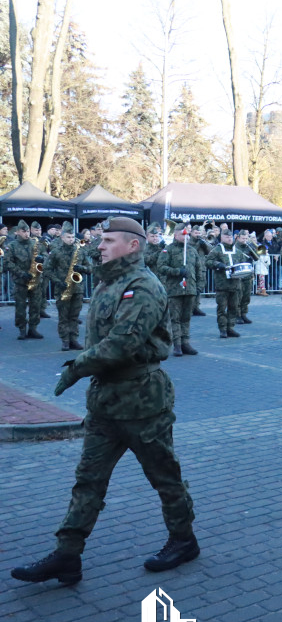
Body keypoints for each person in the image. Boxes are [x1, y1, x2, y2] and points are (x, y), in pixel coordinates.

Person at [10, 217, 198, 586]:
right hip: (106, 402)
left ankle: (183, 540)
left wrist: (76, 367)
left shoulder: (142, 286)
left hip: (142, 402)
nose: (99, 245)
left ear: (133, 246)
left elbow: (123, 344)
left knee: (164, 477)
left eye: (109, 240)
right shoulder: (109, 283)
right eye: (100, 239)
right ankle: (67, 555)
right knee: (88, 480)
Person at [155, 221, 201, 356]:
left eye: (187, 234)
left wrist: (199, 286)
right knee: (175, 318)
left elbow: (199, 269)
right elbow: (161, 267)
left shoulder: (192, 250)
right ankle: (177, 344)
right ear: (175, 235)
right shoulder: (168, 250)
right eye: (183, 234)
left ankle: (186, 342)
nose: (186, 237)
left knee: (186, 318)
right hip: (175, 289)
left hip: (190, 289)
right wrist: (177, 272)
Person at [43, 222, 90, 351]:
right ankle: (65, 340)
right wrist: (57, 281)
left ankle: (73, 339)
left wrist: (82, 268)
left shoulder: (80, 251)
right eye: (68, 237)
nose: (71, 239)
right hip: (62, 288)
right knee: (63, 316)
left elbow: (90, 268)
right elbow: (47, 269)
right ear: (62, 238)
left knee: (74, 316)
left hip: (78, 288)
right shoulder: (56, 252)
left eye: (72, 237)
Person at [2, 219, 46, 339]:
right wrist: (21, 273)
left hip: (35, 280)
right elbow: (7, 263)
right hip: (20, 282)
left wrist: (42, 259)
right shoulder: (12, 246)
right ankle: (22, 329)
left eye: (27, 231)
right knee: (20, 307)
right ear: (17, 232)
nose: (27, 234)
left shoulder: (35, 244)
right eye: (23, 231)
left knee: (35, 306)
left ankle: (33, 329)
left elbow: (46, 257)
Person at [205, 227, 244, 339]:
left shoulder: (237, 250)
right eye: (227, 237)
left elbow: (243, 262)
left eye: (230, 237)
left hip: (235, 284)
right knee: (222, 308)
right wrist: (218, 264)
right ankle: (222, 329)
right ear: (222, 237)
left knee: (234, 307)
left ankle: (230, 327)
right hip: (222, 284)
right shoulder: (217, 249)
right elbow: (208, 261)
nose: (229, 239)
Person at [190, 225, 211, 317]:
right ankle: (190, 307)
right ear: (191, 233)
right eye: (196, 233)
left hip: (201, 268)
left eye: (199, 233)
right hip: (192, 268)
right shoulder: (189, 241)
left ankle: (196, 307)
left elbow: (210, 252)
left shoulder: (202, 241)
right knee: (192, 289)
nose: (198, 235)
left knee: (199, 288)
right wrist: (198, 243)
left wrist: (205, 244)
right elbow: (191, 250)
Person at [234, 229, 255, 324]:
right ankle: (236, 315)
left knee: (246, 296)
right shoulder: (234, 247)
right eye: (243, 238)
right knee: (238, 296)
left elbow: (257, 258)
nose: (244, 240)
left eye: (246, 238)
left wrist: (253, 250)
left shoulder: (248, 247)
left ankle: (243, 313)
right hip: (239, 274)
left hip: (248, 275)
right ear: (238, 238)